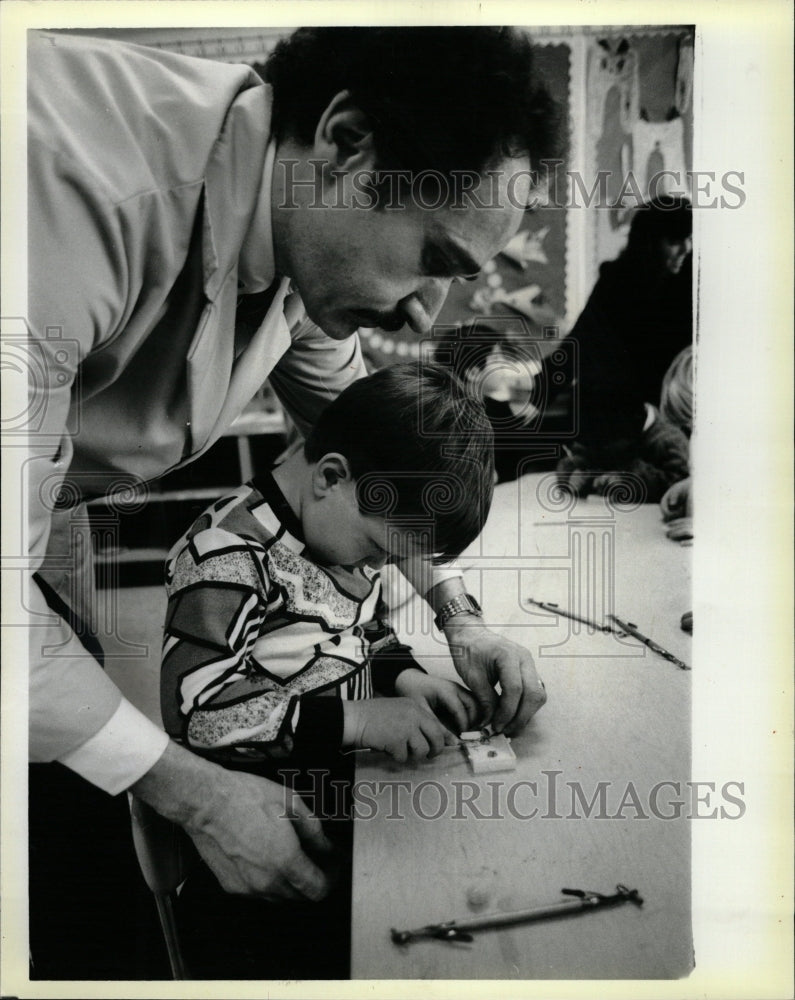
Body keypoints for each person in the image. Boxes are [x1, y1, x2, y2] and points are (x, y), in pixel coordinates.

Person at [25, 26, 554, 977]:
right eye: (432, 256)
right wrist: (199, 794)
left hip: (38, 506)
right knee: (61, 867)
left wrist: (457, 618)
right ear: (346, 145)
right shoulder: (64, 203)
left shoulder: (302, 237)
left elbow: (381, 461)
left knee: (81, 779)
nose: (424, 315)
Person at [160, 364, 489, 977]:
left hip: (343, 797)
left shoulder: (336, 530)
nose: (381, 567)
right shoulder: (227, 557)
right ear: (331, 478)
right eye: (379, 551)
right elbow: (197, 714)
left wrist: (406, 677)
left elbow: (356, 628)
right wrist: (358, 718)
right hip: (265, 850)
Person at [553, 196, 693, 502]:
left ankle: (612, 475)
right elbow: (580, 341)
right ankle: (596, 471)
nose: (686, 249)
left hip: (663, 412)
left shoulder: (692, 287)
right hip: (617, 408)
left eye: (688, 239)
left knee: (671, 463)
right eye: (675, 240)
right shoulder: (617, 280)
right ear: (651, 243)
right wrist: (540, 387)